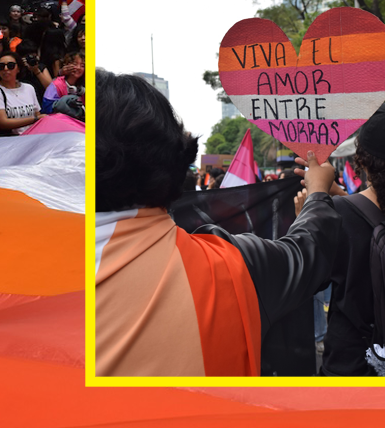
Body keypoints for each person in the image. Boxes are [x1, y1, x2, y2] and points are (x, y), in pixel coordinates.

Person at [95, 71, 341, 376]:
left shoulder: (41, 267)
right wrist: (318, 192)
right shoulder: (230, 266)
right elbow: (309, 251)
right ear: (174, 159)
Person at [295, 104, 385, 376]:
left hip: (349, 366)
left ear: (362, 160)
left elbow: (304, 279)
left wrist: (309, 212)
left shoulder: (336, 215)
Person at [0, 51, 43, 135]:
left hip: (33, 137)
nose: (5, 69)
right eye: (1, 66)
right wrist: (34, 119)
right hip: (12, 142)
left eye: (10, 66)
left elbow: (37, 114)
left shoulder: (29, 88)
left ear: (18, 68)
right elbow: (3, 122)